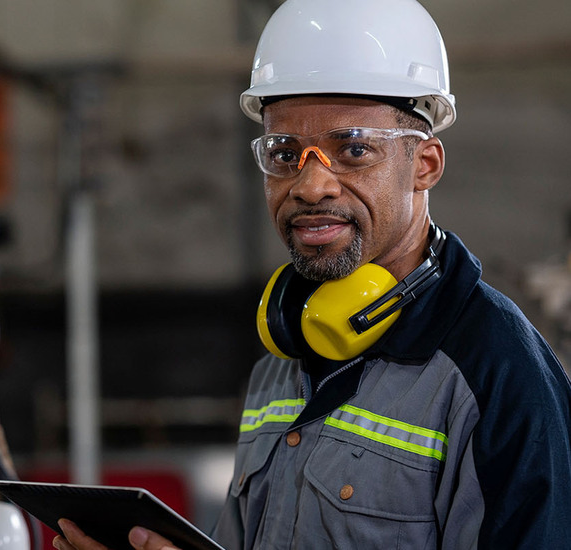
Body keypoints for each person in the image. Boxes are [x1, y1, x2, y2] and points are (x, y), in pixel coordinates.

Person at [53, 0, 571, 549]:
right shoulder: (284, 355)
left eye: (352, 150)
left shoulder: (499, 376)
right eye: (284, 153)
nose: (310, 186)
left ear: (425, 166)